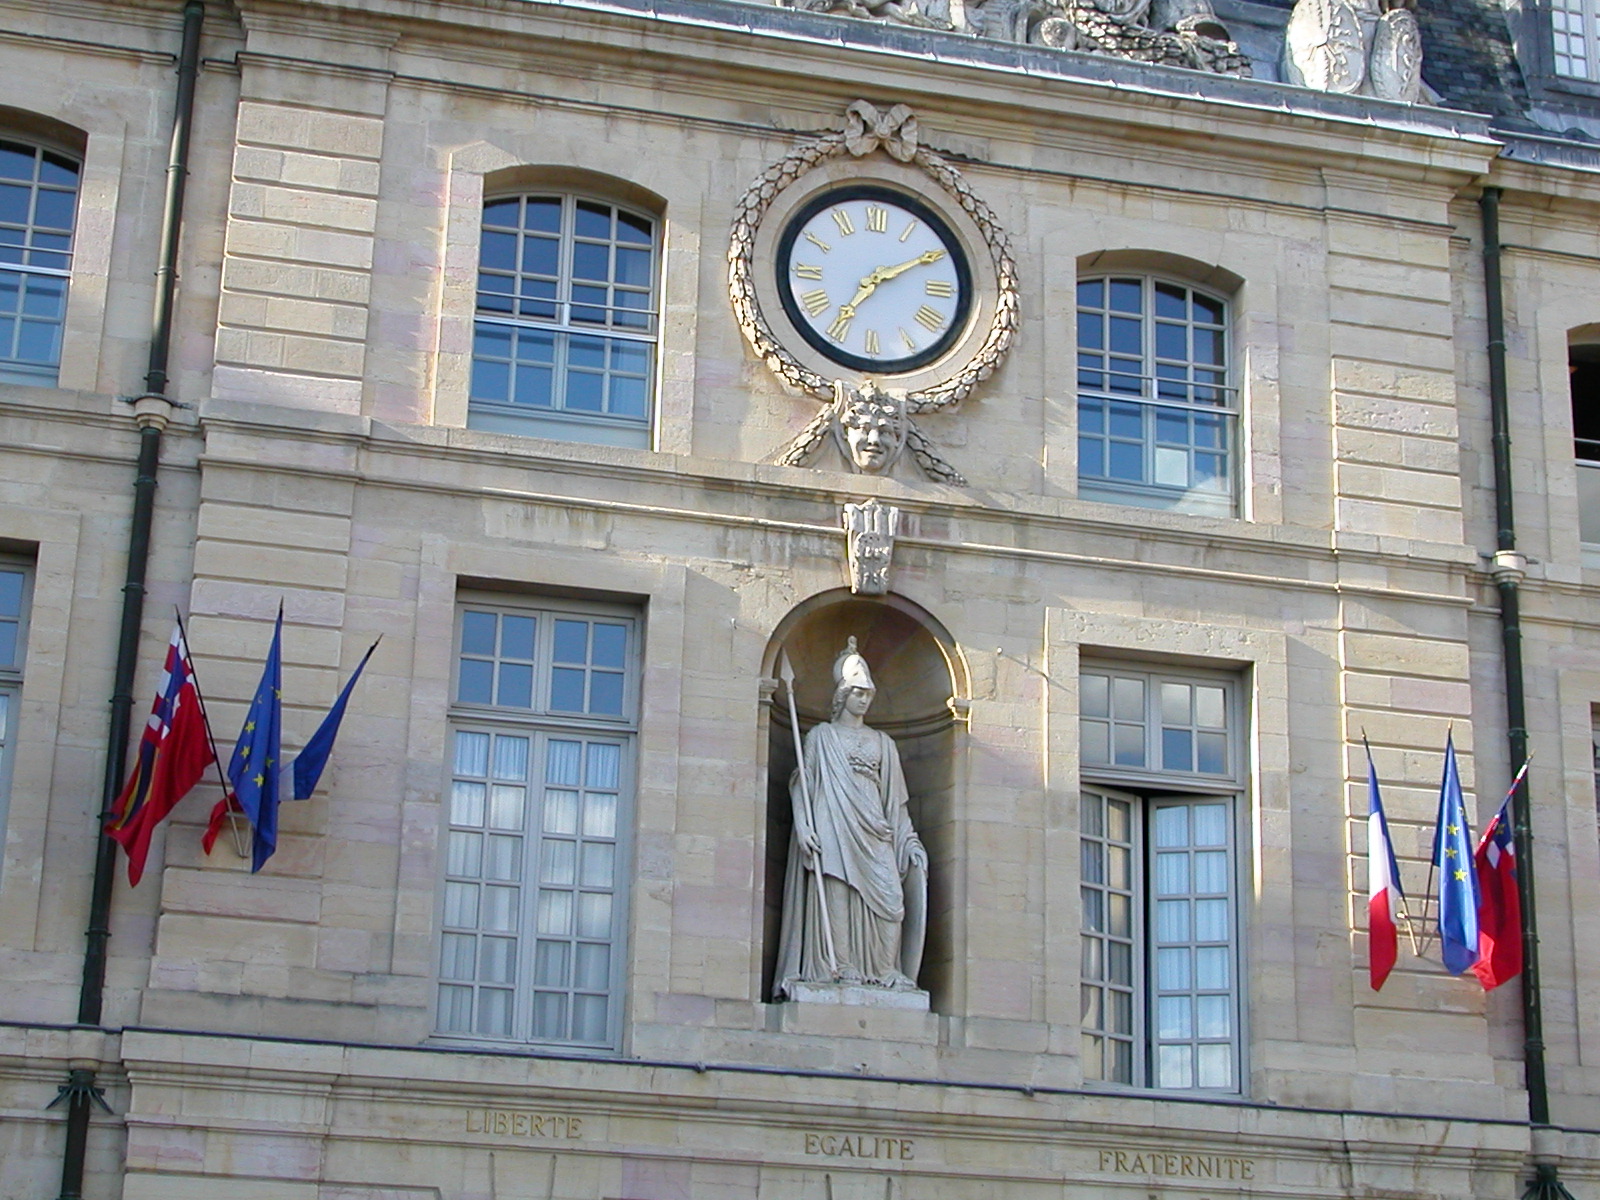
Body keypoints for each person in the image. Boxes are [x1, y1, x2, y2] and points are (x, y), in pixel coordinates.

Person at [776, 639, 927, 996]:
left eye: (868, 693)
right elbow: (803, 783)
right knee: (837, 891)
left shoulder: (883, 742)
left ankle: (886, 969)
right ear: (843, 694)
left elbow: (896, 802)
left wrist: (909, 842)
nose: (864, 699)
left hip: (874, 827)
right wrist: (803, 825)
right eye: (858, 692)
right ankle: (842, 966)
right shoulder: (821, 737)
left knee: (892, 900)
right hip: (832, 819)